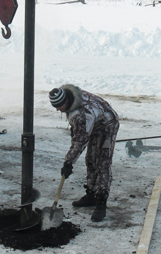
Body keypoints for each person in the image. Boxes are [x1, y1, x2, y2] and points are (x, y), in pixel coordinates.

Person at [49, 84, 120, 222]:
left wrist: (68, 162)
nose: (57, 110)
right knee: (90, 159)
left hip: (107, 125)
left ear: (67, 101)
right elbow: (81, 130)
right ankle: (91, 195)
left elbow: (80, 141)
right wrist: (75, 128)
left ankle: (101, 202)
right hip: (95, 121)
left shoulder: (81, 115)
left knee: (102, 163)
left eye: (59, 106)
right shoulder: (71, 96)